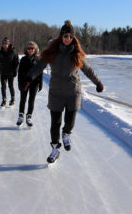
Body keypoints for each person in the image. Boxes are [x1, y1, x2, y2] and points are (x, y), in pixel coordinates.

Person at [23, 20, 104, 163]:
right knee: (55, 122)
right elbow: (39, 66)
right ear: (61, 36)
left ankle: (66, 133)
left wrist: (97, 82)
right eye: (65, 36)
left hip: (73, 91)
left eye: (70, 37)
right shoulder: (52, 52)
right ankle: (55, 148)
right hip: (56, 92)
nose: (68, 39)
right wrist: (29, 77)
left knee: (70, 121)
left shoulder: (76, 54)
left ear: (73, 38)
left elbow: (88, 70)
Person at [17, 41, 43, 127]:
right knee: (23, 99)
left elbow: (40, 72)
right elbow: (20, 72)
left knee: (31, 100)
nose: (30, 50)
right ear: (26, 49)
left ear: (35, 49)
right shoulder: (23, 59)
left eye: (32, 48)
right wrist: (20, 83)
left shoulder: (38, 59)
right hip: (24, 82)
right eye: (28, 48)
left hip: (34, 83)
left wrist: (40, 83)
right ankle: (21, 116)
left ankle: (29, 116)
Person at [0, 37, 19, 107]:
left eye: (6, 43)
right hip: (3, 73)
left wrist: (15, 71)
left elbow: (16, 62)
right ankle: (4, 100)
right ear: (2, 44)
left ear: (8, 44)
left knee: (11, 86)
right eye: (4, 43)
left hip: (11, 73)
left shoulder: (13, 51)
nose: (5, 45)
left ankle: (12, 99)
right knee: (3, 87)